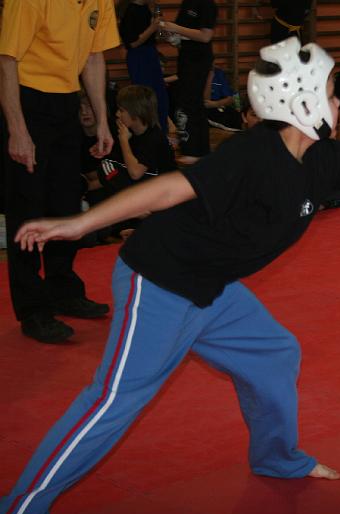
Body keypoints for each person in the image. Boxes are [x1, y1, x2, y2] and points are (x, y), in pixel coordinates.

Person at [1, 38, 340, 514]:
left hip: (213, 286)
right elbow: (169, 189)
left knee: (273, 354)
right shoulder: (252, 156)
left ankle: (277, 459)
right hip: (160, 281)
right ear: (303, 104)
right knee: (114, 402)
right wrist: (79, 224)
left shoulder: (323, 158)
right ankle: (18, 513)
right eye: (331, 94)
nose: (338, 103)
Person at [0, 0, 119, 344]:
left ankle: (63, 288)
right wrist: (17, 130)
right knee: (27, 206)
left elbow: (94, 57)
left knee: (66, 202)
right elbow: (6, 61)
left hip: (67, 101)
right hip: (27, 100)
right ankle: (33, 309)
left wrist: (102, 120)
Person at [159, 0, 217, 165]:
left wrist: (175, 28)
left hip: (198, 60)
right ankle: (198, 149)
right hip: (186, 58)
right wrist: (171, 35)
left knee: (190, 103)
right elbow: (184, 34)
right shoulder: (187, 3)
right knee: (191, 104)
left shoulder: (207, 4)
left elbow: (205, 36)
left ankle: (194, 150)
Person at [118, 0, 170, 132]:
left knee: (160, 98)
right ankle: (149, 133)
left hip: (150, 54)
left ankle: (161, 133)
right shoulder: (129, 11)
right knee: (144, 100)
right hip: (139, 57)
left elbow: (156, 35)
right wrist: (152, 27)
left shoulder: (147, 8)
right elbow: (132, 43)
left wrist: (160, 28)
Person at [205, 65, 243, 132]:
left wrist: (216, 104)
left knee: (236, 116)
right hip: (207, 110)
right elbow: (206, 102)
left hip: (219, 105)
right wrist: (210, 77)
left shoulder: (219, 73)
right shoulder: (197, 74)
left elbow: (231, 99)